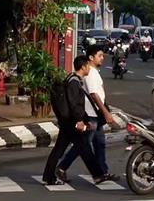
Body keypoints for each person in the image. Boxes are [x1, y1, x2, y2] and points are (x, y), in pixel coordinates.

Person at [42, 55, 113, 186]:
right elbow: (74, 104)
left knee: (82, 148)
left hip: (69, 122)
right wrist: (80, 121)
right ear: (83, 67)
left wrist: (84, 119)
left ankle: (97, 175)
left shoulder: (73, 79)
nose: (89, 69)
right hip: (71, 123)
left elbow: (78, 105)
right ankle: (51, 176)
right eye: (88, 66)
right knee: (71, 149)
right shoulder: (74, 82)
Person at [56, 46, 119, 183]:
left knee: (99, 144)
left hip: (96, 114)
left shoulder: (94, 72)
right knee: (83, 145)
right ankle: (62, 167)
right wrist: (106, 112)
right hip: (91, 114)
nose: (102, 58)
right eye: (100, 55)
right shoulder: (90, 73)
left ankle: (102, 172)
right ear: (91, 57)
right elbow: (93, 94)